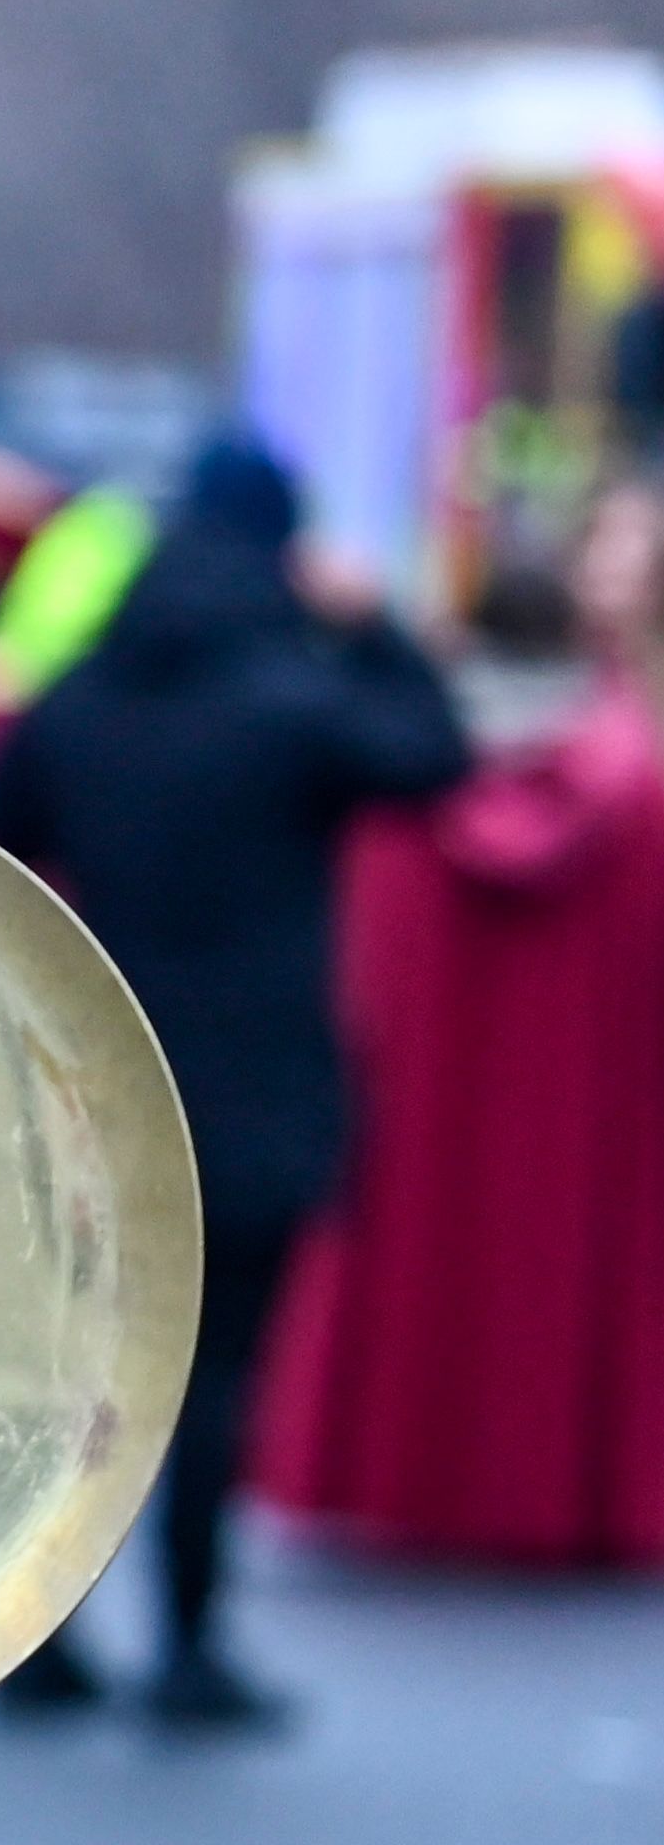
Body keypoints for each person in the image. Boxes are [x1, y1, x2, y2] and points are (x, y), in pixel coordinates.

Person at [0, 431, 472, 1728]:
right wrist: (369, 627)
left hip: (92, 1083)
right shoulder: (293, 702)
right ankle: (188, 1646)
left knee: (79, 1364)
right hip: (255, 1084)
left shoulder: (79, 698)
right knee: (218, 1374)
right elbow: (434, 758)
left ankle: (36, 1637)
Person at [257, 481, 664, 1564]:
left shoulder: (400, 804)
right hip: (589, 1156)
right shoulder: (645, 804)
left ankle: (406, 1480)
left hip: (419, 1139)